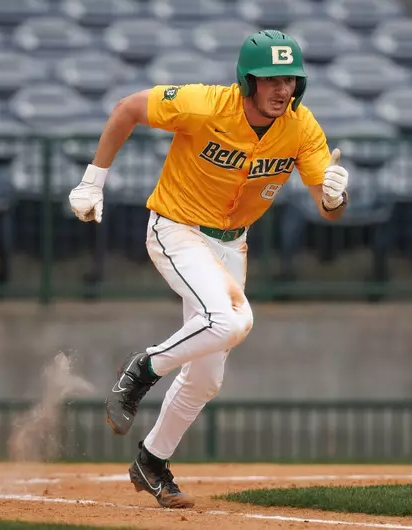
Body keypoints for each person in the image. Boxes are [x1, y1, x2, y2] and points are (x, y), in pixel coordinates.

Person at [67, 30, 349, 508]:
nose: (282, 89)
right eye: (271, 79)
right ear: (248, 80)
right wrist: (94, 182)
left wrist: (334, 197)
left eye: (291, 80)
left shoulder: (301, 127)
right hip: (177, 228)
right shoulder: (205, 105)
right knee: (232, 320)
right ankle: (140, 370)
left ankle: (151, 461)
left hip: (230, 244)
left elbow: (329, 209)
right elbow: (129, 108)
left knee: (207, 378)